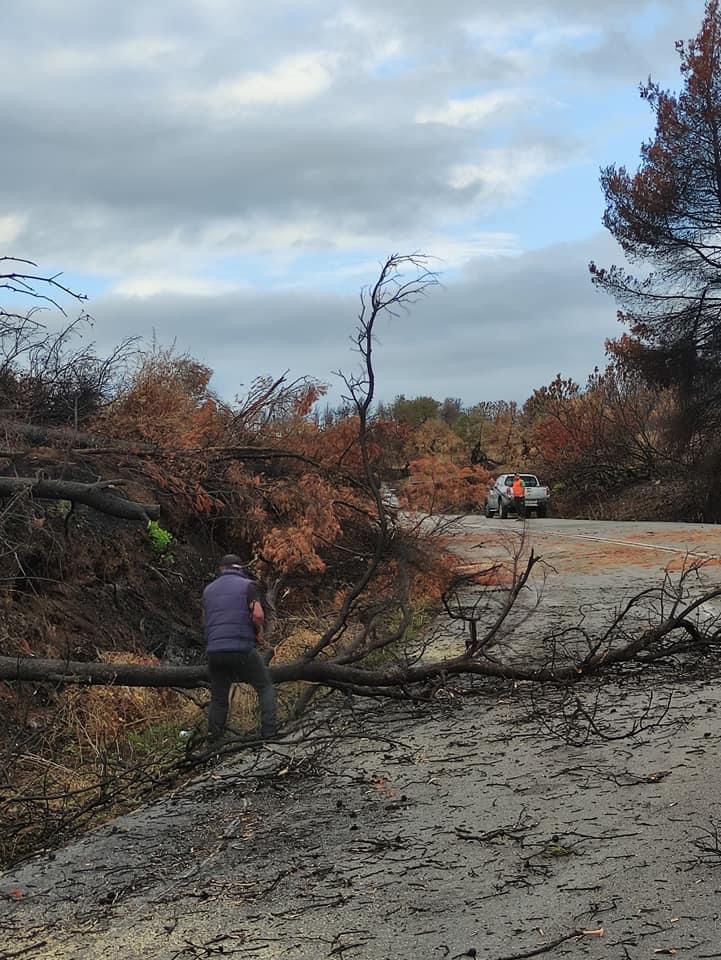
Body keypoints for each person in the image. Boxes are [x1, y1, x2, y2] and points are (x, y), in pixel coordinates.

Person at [202, 554, 278, 741]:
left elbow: (204, 621)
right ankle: (269, 732)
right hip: (241, 647)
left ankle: (213, 740)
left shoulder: (208, 590)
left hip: (215, 651)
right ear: (240, 568)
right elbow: (258, 615)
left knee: (219, 698)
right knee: (264, 686)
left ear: (221, 569)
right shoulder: (248, 586)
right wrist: (258, 632)